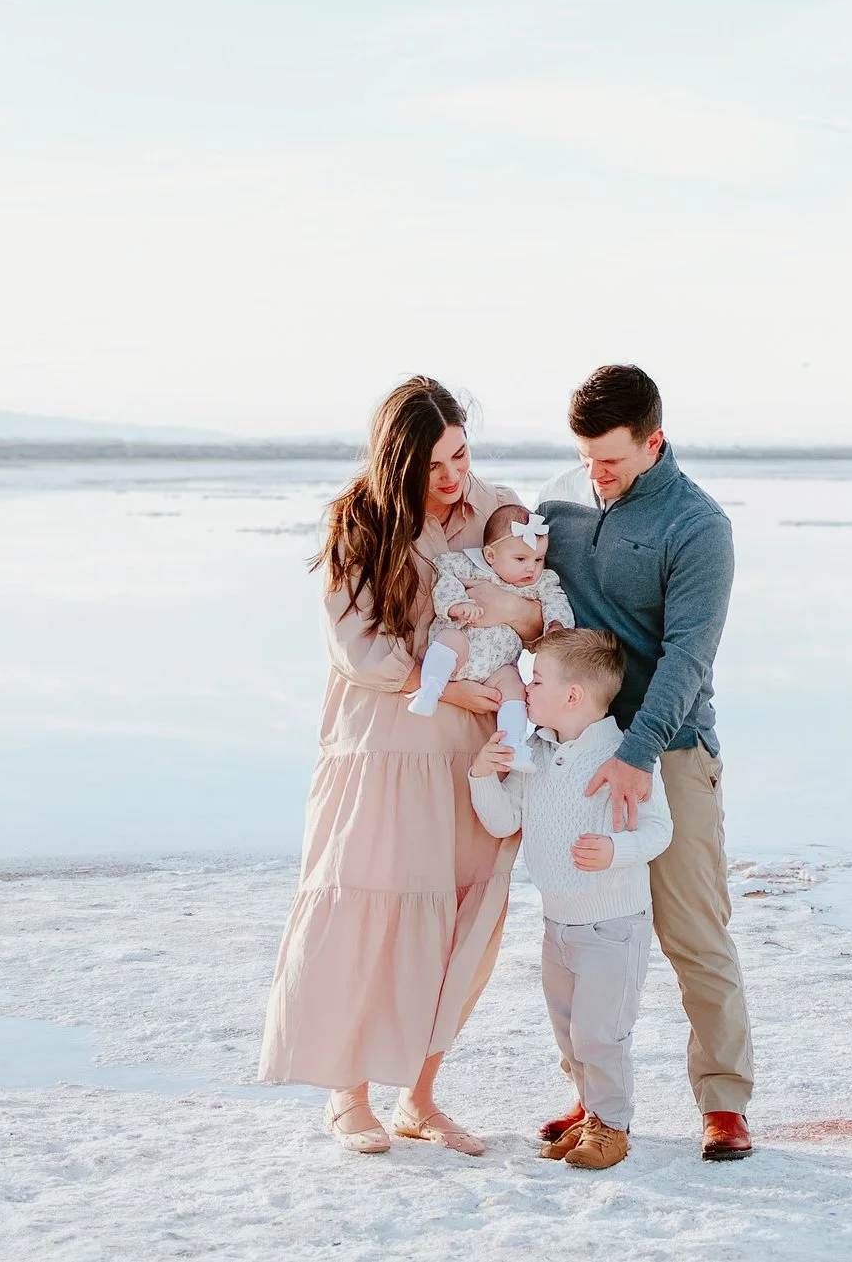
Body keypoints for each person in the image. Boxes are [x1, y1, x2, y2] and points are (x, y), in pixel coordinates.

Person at [257, 376, 547, 1154]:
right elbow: (360, 651)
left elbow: (532, 572)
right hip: (386, 743)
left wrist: (514, 607)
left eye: (460, 454)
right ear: (397, 464)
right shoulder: (360, 521)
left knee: (463, 915)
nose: (452, 478)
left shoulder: (489, 504)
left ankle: (420, 1094)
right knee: (368, 907)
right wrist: (453, 686)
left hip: (472, 752)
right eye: (434, 467)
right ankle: (347, 1093)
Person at [537, 363, 755, 1162]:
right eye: (588, 457)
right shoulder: (559, 498)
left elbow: (687, 656)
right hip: (577, 755)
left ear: (654, 442)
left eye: (613, 461)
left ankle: (724, 1101)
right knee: (583, 934)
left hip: (672, 752)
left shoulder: (699, 526)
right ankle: (593, 1100)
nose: (596, 475)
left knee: (694, 931)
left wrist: (637, 754)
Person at [465, 626, 673, 1172]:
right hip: (557, 926)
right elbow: (504, 818)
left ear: (573, 695)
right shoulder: (536, 751)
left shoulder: (624, 755)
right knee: (569, 1033)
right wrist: (483, 773)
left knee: (600, 1033)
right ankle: (589, 1115)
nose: (525, 690)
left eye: (536, 681)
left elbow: (658, 832)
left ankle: (612, 1126)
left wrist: (615, 849)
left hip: (613, 925)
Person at [430, 502, 574, 766]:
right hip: (465, 647)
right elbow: (443, 574)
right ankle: (430, 688)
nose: (531, 568)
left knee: (515, 689)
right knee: (449, 641)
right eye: (521, 559)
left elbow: (556, 600)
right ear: (491, 555)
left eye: (538, 559)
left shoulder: (541, 583)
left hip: (499, 667)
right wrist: (454, 605)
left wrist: (556, 624)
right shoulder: (472, 567)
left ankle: (513, 746)